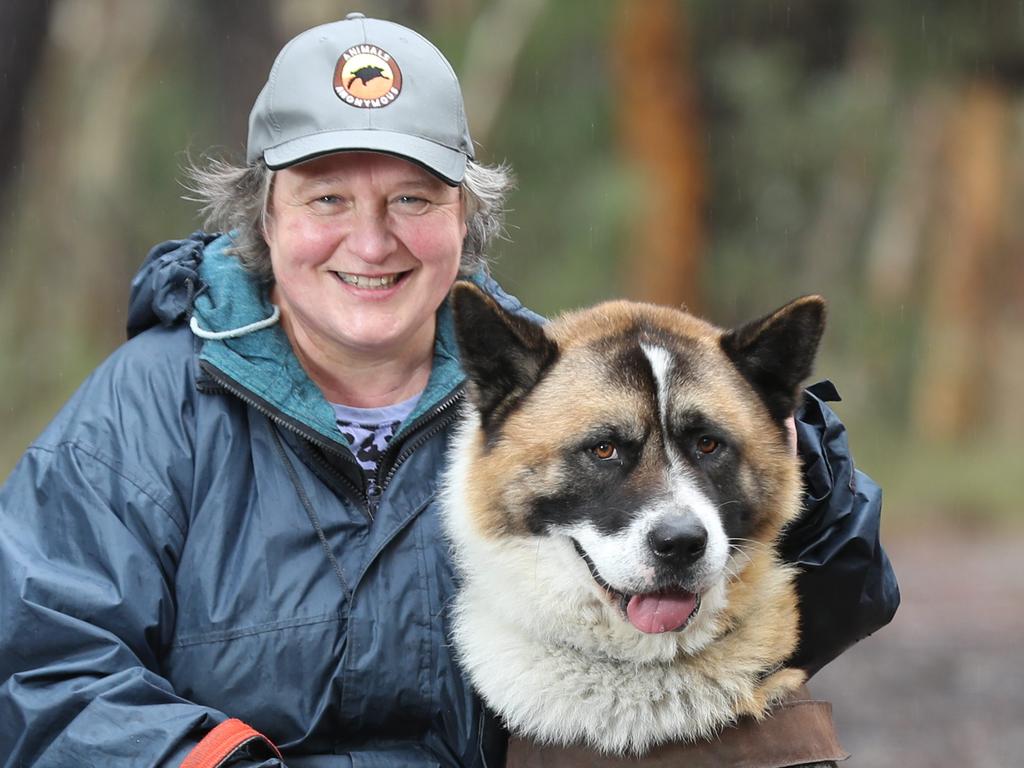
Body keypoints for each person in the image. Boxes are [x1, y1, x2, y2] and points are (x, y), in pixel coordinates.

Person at [0, 13, 898, 768]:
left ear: (466, 218)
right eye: (326, 200)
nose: (372, 241)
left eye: (413, 200)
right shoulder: (150, 405)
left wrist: (785, 448)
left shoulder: (563, 387)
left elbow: (830, 597)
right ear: (261, 215)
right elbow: (42, 667)